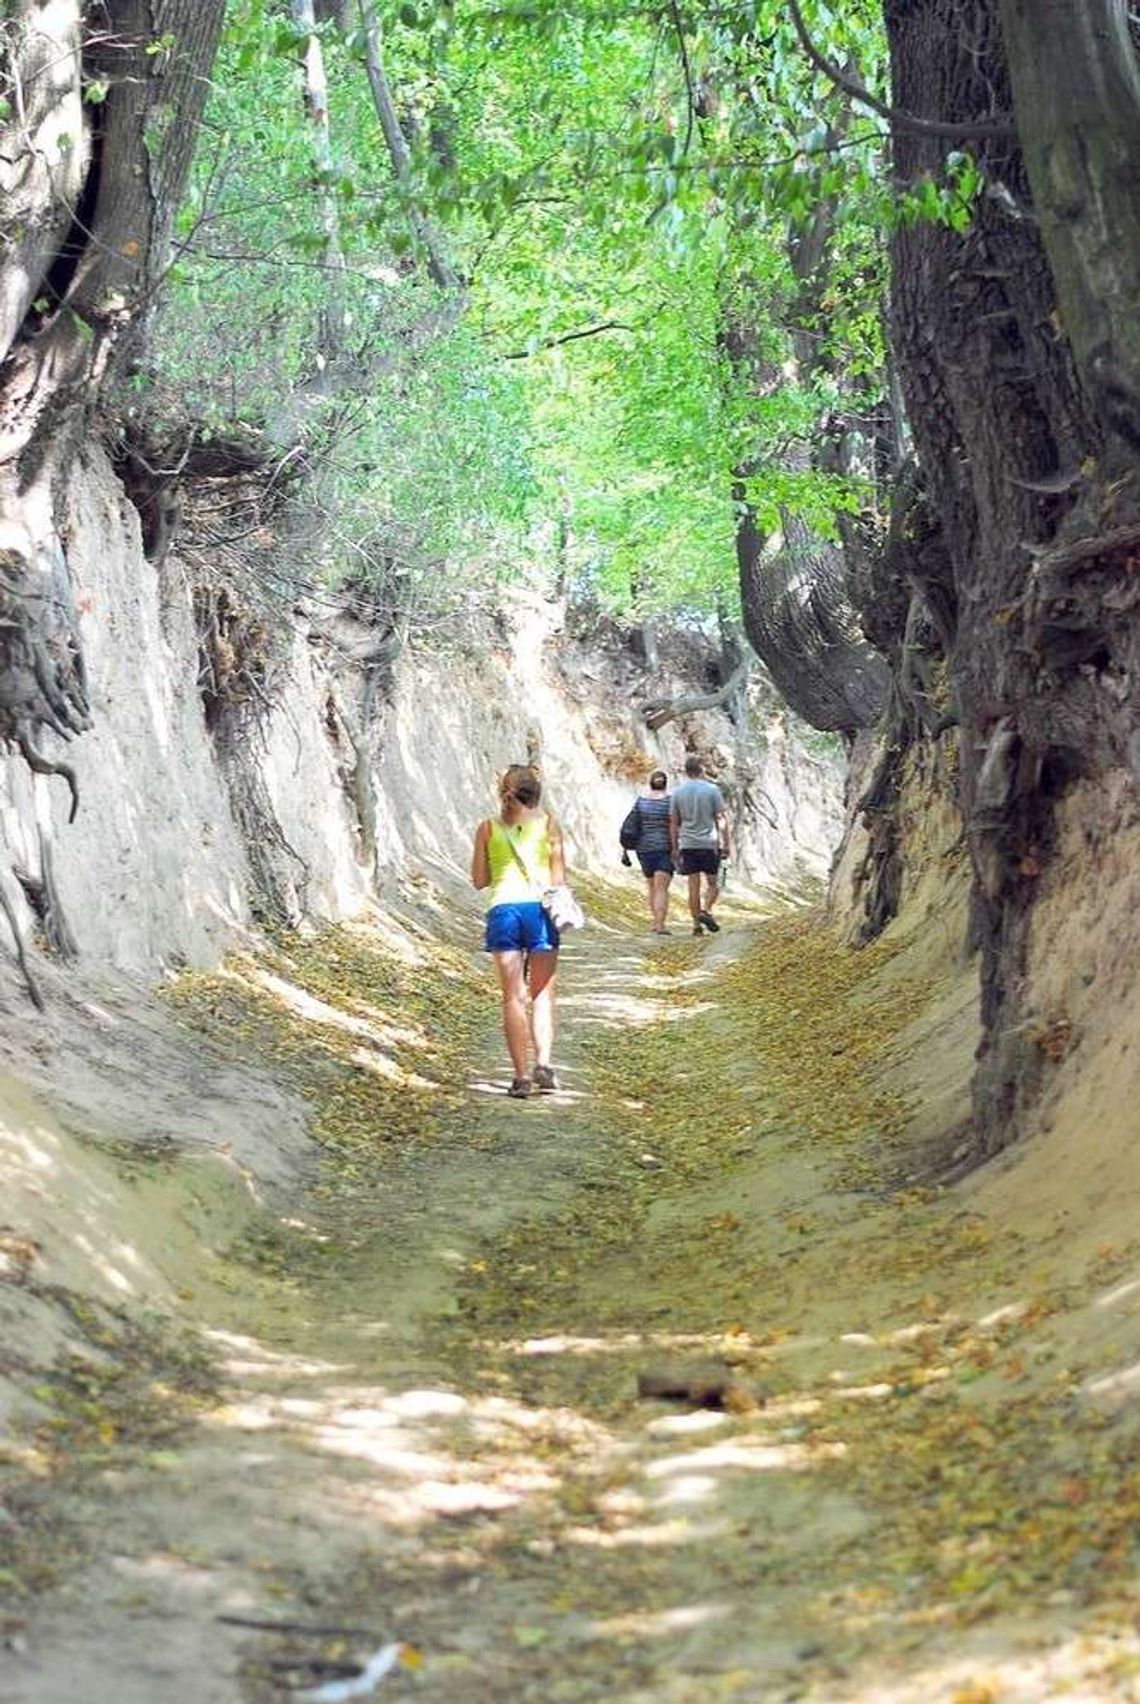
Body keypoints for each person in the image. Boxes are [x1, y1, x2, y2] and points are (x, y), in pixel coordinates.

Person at [471, 764, 565, 1099]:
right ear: (536, 793)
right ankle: (544, 1063)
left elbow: (479, 880)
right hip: (539, 911)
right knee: (542, 994)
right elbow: (559, 881)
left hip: (503, 911)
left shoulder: (487, 828)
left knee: (512, 996)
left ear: (503, 793)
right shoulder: (549, 824)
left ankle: (521, 1077)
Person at [670, 754, 730, 937]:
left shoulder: (678, 793)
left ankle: (696, 925)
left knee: (693, 886)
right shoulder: (712, 790)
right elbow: (721, 818)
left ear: (686, 772)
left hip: (688, 844)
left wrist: (674, 846)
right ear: (702, 770)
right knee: (713, 883)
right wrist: (726, 843)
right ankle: (706, 910)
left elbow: (674, 822)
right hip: (709, 843)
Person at [631, 769, 675, 934]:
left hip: (644, 849)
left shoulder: (641, 802)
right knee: (661, 888)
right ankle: (660, 925)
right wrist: (676, 848)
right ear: (665, 785)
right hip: (664, 849)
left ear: (650, 784)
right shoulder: (670, 802)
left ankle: (655, 922)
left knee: (652, 887)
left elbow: (632, 824)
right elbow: (673, 826)